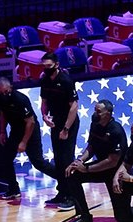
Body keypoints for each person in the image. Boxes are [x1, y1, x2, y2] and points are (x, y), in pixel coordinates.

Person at [62, 100, 127, 222]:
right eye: (94, 110)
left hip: (116, 172)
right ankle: (84, 216)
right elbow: (91, 147)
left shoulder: (115, 130)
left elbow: (112, 161)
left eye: (98, 111)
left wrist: (86, 169)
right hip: (101, 167)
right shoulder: (95, 124)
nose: (95, 114)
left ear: (107, 114)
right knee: (73, 176)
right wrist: (79, 161)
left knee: (122, 217)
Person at [0, 77, 50, 200]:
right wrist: (3, 131)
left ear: (10, 88)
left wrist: (24, 142)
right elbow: (2, 114)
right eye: (1, 93)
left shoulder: (20, 99)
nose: (4, 94)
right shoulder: (0, 98)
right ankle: (13, 189)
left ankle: (64, 181)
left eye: (6, 91)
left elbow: (30, 122)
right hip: (16, 130)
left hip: (30, 131)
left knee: (38, 162)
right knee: (6, 158)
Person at [39, 51, 79, 209]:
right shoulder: (45, 80)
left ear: (56, 65)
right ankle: (62, 192)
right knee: (59, 159)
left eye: (48, 66)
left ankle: (72, 196)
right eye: (43, 67)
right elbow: (44, 101)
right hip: (55, 123)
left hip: (68, 124)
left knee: (67, 159)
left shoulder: (66, 81)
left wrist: (66, 129)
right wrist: (44, 116)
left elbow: (74, 107)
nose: (45, 69)